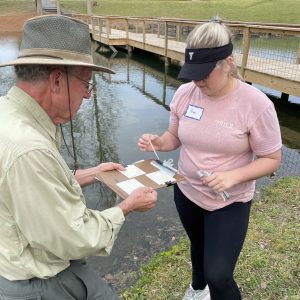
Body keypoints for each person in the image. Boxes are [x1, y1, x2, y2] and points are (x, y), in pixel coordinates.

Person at [0, 15, 157, 300]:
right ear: (57, 80)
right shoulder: (29, 148)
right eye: (86, 84)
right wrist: (126, 207)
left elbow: (32, 190)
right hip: (37, 281)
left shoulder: (9, 114)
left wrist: (94, 172)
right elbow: (72, 237)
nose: (87, 96)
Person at [138, 16, 281, 300]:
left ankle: (211, 287)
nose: (197, 80)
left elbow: (272, 158)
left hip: (229, 201)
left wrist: (233, 176)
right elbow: (174, 138)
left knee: (220, 274)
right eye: (192, 71)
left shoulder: (256, 104)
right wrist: (158, 141)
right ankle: (197, 288)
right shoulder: (185, 93)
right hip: (187, 191)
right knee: (198, 245)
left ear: (227, 63)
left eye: (204, 72)